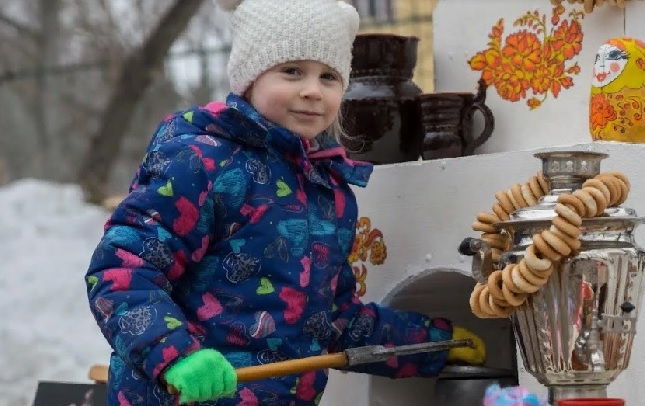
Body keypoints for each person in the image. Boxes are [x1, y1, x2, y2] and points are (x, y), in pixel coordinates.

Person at [84, 0, 486, 404]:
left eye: (329, 76)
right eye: (292, 71)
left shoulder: (329, 191)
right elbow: (122, 271)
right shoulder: (200, 163)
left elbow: (333, 320)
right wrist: (176, 356)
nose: (312, 90)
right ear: (249, 77)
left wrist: (433, 345)